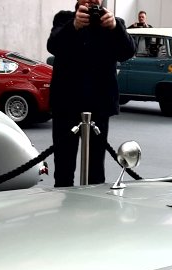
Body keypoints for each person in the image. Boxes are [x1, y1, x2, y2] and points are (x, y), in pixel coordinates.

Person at [47, 1, 135, 187]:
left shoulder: (113, 23)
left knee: (96, 171)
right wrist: (73, 27)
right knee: (63, 169)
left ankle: (94, 204)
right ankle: (64, 201)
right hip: (66, 105)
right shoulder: (64, 19)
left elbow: (127, 52)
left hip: (99, 106)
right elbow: (53, 46)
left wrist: (116, 28)